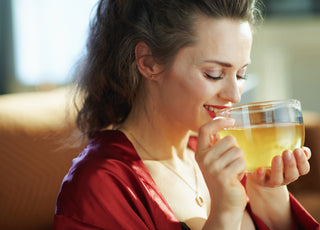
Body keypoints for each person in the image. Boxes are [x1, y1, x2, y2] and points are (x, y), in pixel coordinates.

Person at [54, 0, 320, 229]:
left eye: (240, 74)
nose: (234, 95)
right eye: (213, 74)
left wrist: (268, 195)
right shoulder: (100, 185)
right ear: (149, 63)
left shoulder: (223, 155)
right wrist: (224, 215)